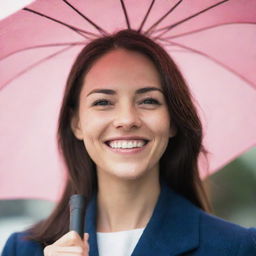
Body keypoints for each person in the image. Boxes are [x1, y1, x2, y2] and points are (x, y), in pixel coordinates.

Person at [2, 29, 256, 256]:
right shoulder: (22, 250)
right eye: (103, 102)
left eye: (148, 101)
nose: (126, 120)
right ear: (76, 123)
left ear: (172, 121)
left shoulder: (235, 247)